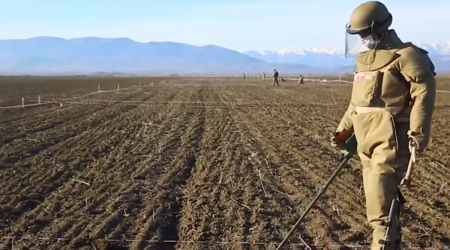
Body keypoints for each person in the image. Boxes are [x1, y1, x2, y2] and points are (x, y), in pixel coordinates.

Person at [330, 1, 436, 250]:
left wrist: (417, 135)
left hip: (390, 142)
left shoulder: (408, 56)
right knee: (380, 205)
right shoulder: (365, 60)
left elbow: (424, 97)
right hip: (366, 143)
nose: (362, 39)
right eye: (359, 35)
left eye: (365, 33)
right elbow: (357, 104)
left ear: (379, 29)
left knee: (380, 213)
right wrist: (343, 130)